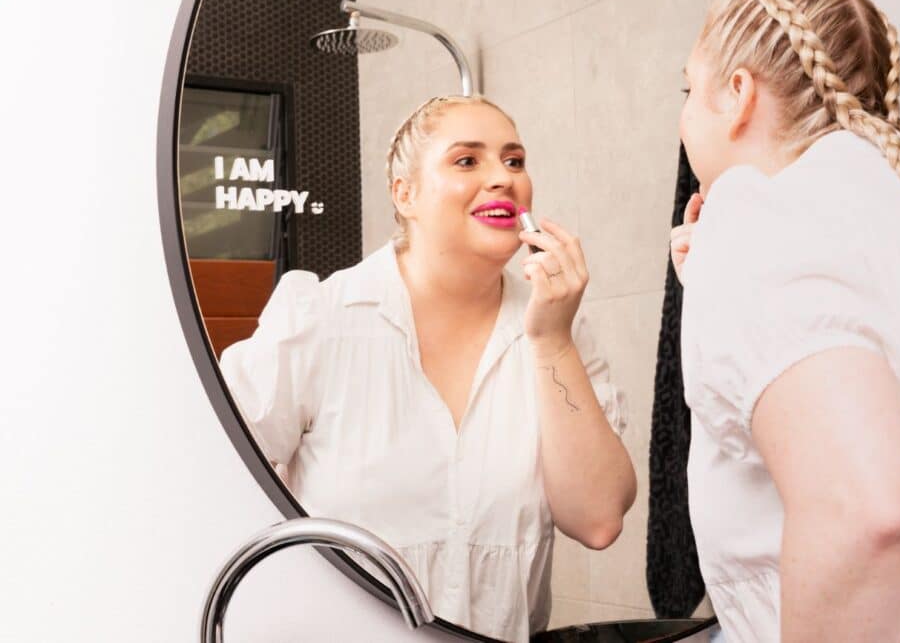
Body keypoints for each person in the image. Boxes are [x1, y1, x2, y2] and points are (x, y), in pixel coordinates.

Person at [670, 0, 900, 643]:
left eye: (690, 89)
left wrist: (734, 263)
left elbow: (865, 513)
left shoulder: (756, 215)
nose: (685, 113)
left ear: (738, 94)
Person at [219, 95, 636, 642]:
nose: (503, 179)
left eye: (514, 161)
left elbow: (599, 519)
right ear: (405, 193)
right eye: (468, 161)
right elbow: (221, 491)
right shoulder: (319, 320)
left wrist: (553, 341)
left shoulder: (557, 331)